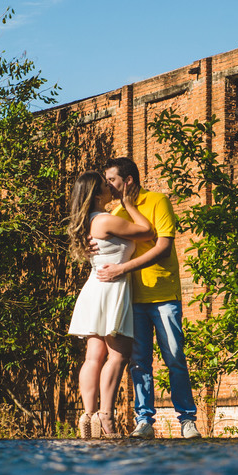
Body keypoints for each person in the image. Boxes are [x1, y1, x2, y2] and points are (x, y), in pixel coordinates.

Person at [96, 157, 199, 438]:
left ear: (128, 180)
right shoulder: (114, 212)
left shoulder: (157, 201)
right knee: (139, 361)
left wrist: (122, 268)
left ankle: (186, 420)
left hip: (163, 294)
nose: (109, 186)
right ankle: (144, 420)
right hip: (131, 297)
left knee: (174, 357)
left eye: (112, 180)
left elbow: (163, 247)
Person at [67, 170, 153, 438]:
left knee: (93, 356)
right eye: (105, 185)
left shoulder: (89, 222)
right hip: (111, 287)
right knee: (117, 355)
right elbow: (148, 231)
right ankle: (106, 417)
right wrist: (128, 205)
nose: (110, 188)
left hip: (95, 288)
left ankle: (88, 416)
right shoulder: (105, 220)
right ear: (96, 194)